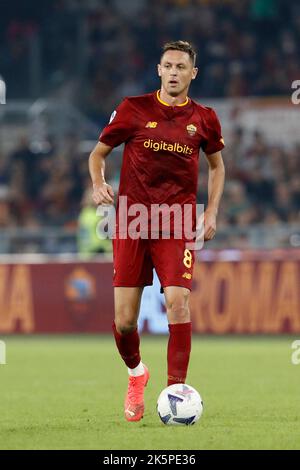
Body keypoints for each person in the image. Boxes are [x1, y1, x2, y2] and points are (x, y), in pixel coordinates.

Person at [89, 41, 225, 422]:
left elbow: (217, 166)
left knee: (178, 302)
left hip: (178, 222)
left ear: (193, 73)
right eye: (168, 66)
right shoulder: (133, 108)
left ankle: (175, 391)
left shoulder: (206, 118)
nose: (174, 72)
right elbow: (97, 153)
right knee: (125, 322)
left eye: (182, 67)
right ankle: (136, 373)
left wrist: (211, 212)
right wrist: (98, 183)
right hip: (131, 220)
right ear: (159, 70)